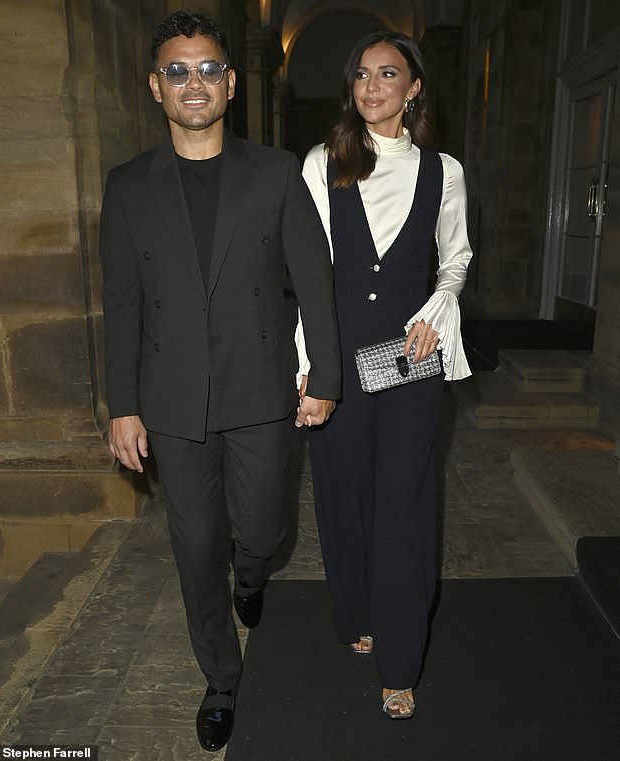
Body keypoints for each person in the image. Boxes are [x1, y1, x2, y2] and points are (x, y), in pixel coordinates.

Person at [99, 10, 341, 752]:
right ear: (155, 86)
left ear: (231, 84)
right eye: (178, 70)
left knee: (263, 528)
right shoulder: (130, 185)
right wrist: (124, 406)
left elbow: (314, 281)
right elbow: (124, 304)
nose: (193, 83)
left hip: (260, 389)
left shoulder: (276, 173)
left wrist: (325, 374)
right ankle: (221, 677)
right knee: (193, 543)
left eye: (208, 69)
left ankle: (252, 572)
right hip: (173, 400)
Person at [298, 29, 473, 720]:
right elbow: (310, 276)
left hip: (412, 357)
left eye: (388, 74)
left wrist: (441, 299)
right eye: (362, 75)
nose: (372, 87)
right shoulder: (324, 161)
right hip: (338, 354)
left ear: (415, 86)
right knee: (345, 493)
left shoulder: (444, 171)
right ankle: (359, 612)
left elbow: (456, 259)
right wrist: (310, 368)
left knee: (401, 503)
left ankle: (400, 660)